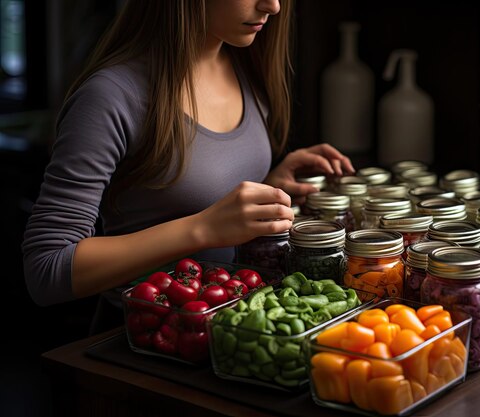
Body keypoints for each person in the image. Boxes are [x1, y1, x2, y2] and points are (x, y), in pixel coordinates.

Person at [21, 0, 354, 329]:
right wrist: (201, 229)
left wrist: (269, 185)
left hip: (237, 328)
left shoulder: (244, 63)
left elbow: (194, 194)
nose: (273, 6)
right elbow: (46, 270)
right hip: (147, 340)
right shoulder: (110, 96)